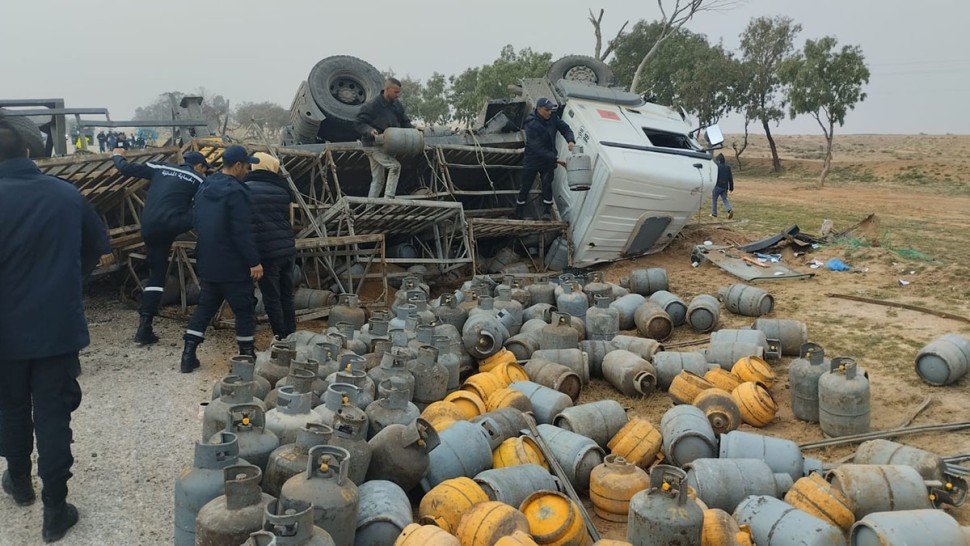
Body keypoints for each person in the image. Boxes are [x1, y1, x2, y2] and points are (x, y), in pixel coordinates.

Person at [0, 118, 109, 542]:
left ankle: (19, 483)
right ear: (29, 152)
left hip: (4, 334)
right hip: (55, 329)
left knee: (9, 407)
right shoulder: (67, 195)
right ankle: (54, 509)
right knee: (53, 413)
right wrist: (65, 286)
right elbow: (95, 250)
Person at [112, 148, 210, 344]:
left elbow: (125, 168)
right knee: (206, 209)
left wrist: (117, 154)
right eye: (205, 169)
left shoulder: (160, 167)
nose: (204, 173)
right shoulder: (199, 180)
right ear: (199, 166)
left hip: (148, 226)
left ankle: (145, 327)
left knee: (157, 274)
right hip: (172, 224)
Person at [179, 145, 263, 373]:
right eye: (246, 165)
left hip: (208, 258)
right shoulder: (238, 191)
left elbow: (197, 220)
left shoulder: (205, 185)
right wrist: (253, 261)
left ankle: (188, 355)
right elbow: (241, 231)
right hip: (233, 263)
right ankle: (246, 357)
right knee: (244, 310)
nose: (247, 169)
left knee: (205, 307)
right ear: (237, 166)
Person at [245, 152, 297, 340]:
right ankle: (292, 335)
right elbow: (290, 221)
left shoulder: (245, 189)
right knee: (287, 295)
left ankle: (281, 338)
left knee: (271, 297)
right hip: (287, 250)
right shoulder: (284, 189)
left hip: (266, 252)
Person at [515, 97, 575, 220]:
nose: (549, 112)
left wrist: (570, 140)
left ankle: (547, 212)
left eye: (550, 109)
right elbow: (537, 148)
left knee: (547, 184)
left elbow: (565, 128)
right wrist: (557, 160)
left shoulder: (552, 117)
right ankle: (519, 212)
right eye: (546, 110)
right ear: (539, 109)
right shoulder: (531, 123)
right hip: (533, 160)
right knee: (525, 187)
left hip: (548, 160)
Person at [354, 77, 413, 199]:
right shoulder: (372, 105)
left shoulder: (397, 105)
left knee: (378, 180)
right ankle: (388, 201)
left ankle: (369, 211)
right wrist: (370, 130)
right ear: (387, 89)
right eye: (395, 92)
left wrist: (415, 131)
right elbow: (359, 122)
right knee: (395, 167)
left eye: (399, 92)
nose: (398, 95)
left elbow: (405, 122)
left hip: (387, 145)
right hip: (372, 145)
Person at [711, 153, 734, 219]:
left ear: (718, 160)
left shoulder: (717, 167)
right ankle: (729, 209)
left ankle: (714, 213)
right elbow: (730, 178)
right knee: (724, 199)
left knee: (714, 200)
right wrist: (731, 187)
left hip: (717, 186)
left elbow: (714, 176)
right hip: (725, 187)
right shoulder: (728, 168)